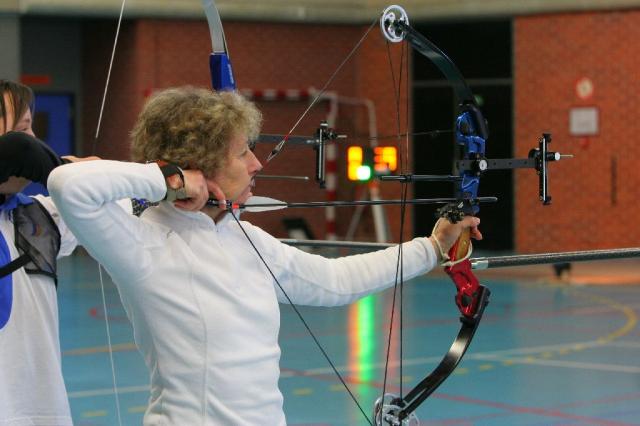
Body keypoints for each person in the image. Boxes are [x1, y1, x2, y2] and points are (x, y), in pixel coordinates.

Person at [48, 86, 481, 425]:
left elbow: (334, 281)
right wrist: (169, 178)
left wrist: (432, 247)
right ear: (199, 165)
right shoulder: (143, 242)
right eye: (242, 153)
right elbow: (68, 185)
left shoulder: (241, 236)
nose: (257, 164)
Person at [0, 80, 79, 425]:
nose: (31, 139)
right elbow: (17, 151)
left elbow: (134, 204)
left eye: (31, 127)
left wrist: (169, 180)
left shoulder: (41, 215)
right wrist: (60, 168)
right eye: (22, 128)